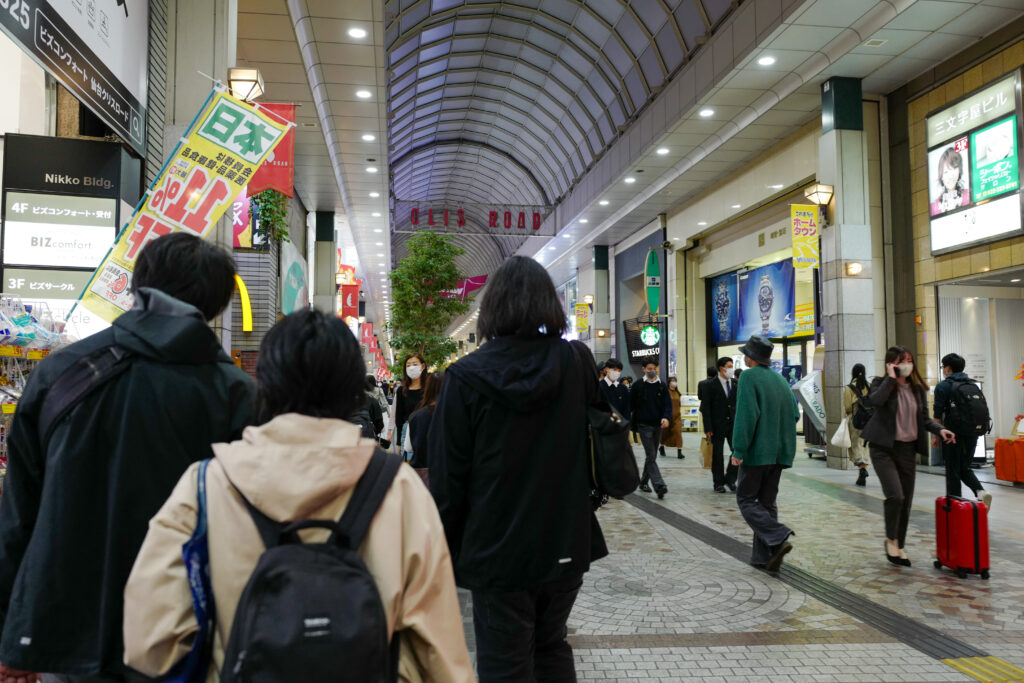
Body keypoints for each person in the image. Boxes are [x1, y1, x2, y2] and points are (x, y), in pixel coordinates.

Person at [122, 310, 472, 682]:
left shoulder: (206, 485)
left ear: (265, 385)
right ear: (353, 390)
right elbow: (442, 654)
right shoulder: (399, 488)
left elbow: (150, 642)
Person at [0, 233, 255, 682]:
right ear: (217, 305)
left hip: (66, 627)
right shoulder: (237, 394)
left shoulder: (61, 373)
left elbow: (19, 513)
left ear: (137, 286)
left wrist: (11, 630)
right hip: (185, 629)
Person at [428, 256, 607, 682]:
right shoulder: (575, 363)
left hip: (496, 550)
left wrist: (448, 551)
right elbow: (599, 438)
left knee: (504, 662)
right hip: (566, 540)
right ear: (550, 303)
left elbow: (448, 480)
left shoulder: (464, 376)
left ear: (491, 309)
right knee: (552, 645)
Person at [860, 346, 956, 567]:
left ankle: (899, 545)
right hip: (883, 448)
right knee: (896, 496)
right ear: (891, 363)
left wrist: (939, 430)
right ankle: (890, 540)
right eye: (902, 361)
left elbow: (924, 419)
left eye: (909, 360)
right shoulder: (880, 383)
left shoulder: (917, 390)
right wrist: (891, 378)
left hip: (907, 450)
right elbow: (875, 401)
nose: (907, 365)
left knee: (906, 501)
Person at [730, 336, 800, 572]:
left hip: (757, 452)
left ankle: (778, 536)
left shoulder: (749, 377)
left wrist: (739, 449)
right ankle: (764, 557)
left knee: (746, 499)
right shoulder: (780, 379)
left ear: (750, 357)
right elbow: (795, 414)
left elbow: (746, 416)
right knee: (767, 503)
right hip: (780, 453)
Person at [934, 353, 992, 508]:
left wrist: (935, 436)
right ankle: (981, 492)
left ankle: (953, 504)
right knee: (963, 467)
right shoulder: (972, 385)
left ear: (947, 368)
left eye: (943, 367)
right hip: (972, 432)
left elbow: (937, 414)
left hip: (952, 434)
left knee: (952, 469)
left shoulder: (943, 386)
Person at [630, 359, 671, 499]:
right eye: (649, 368)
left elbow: (667, 404)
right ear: (643, 369)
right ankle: (659, 485)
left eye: (654, 368)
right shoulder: (638, 385)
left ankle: (643, 482)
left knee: (651, 456)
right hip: (643, 425)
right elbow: (630, 404)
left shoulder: (662, 385)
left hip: (657, 425)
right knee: (651, 454)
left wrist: (666, 417)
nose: (652, 371)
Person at [702, 357, 738, 492]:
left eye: (732, 365)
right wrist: (708, 428)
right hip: (717, 425)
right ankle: (718, 483)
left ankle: (730, 479)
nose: (731, 368)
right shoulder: (710, 385)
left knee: (737, 451)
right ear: (722, 368)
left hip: (733, 425)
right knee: (717, 454)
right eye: (729, 366)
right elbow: (706, 408)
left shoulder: (735, 383)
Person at [408, 371, 444, 486]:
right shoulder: (458, 413)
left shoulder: (416, 416)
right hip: (448, 475)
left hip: (422, 476)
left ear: (427, 389)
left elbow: (408, 448)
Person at [390, 353, 426, 460]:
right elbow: (399, 417)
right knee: (409, 466)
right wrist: (399, 443)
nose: (411, 368)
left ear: (422, 366)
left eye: (415, 364)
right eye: (408, 365)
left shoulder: (429, 388)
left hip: (427, 431)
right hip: (407, 433)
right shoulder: (402, 390)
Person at [843, 364, 872, 486]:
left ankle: (862, 469)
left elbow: (848, 407)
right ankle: (864, 468)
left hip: (855, 421)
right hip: (869, 421)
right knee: (865, 445)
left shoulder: (849, 388)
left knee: (856, 445)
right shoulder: (869, 386)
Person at [930, 147, 970, 215]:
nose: (950, 176)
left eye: (954, 168)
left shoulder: (969, 195)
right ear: (941, 176)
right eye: (946, 172)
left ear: (959, 171)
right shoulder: (933, 208)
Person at [599, 358, 630, 424]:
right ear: (607, 369)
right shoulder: (598, 387)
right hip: (603, 427)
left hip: (620, 427)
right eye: (614, 370)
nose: (617, 373)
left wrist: (626, 425)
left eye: (619, 371)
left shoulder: (623, 388)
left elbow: (626, 409)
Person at [660, 376, 685, 459]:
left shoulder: (678, 393)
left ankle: (679, 452)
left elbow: (679, 405)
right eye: (672, 381)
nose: (674, 382)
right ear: (669, 382)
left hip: (677, 417)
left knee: (678, 432)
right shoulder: (666, 392)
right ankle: (661, 447)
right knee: (665, 433)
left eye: (675, 381)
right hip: (667, 416)